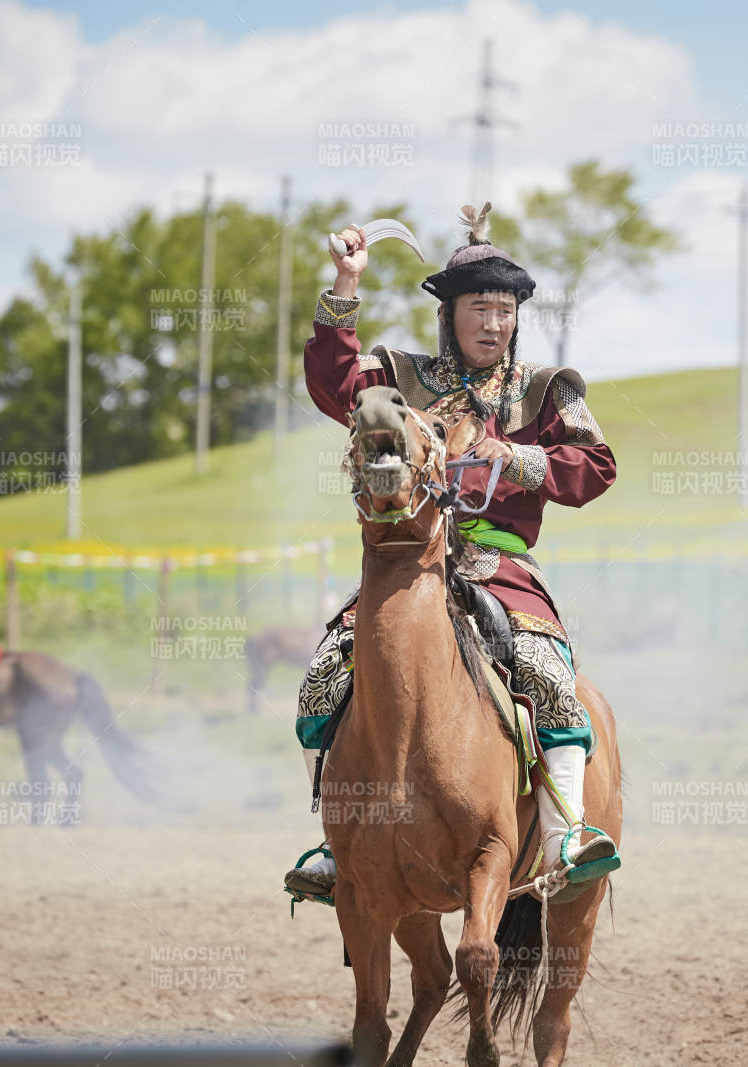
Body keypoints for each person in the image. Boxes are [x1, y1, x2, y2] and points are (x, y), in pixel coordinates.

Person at [285, 203, 619, 900]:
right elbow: (333, 387)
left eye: (504, 311)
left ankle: (564, 832)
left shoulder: (546, 390)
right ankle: (337, 843)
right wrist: (346, 284)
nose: (493, 324)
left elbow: (596, 467)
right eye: (479, 309)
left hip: (502, 568)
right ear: (448, 313)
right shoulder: (399, 380)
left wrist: (517, 457)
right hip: (407, 562)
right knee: (326, 676)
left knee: (547, 673)